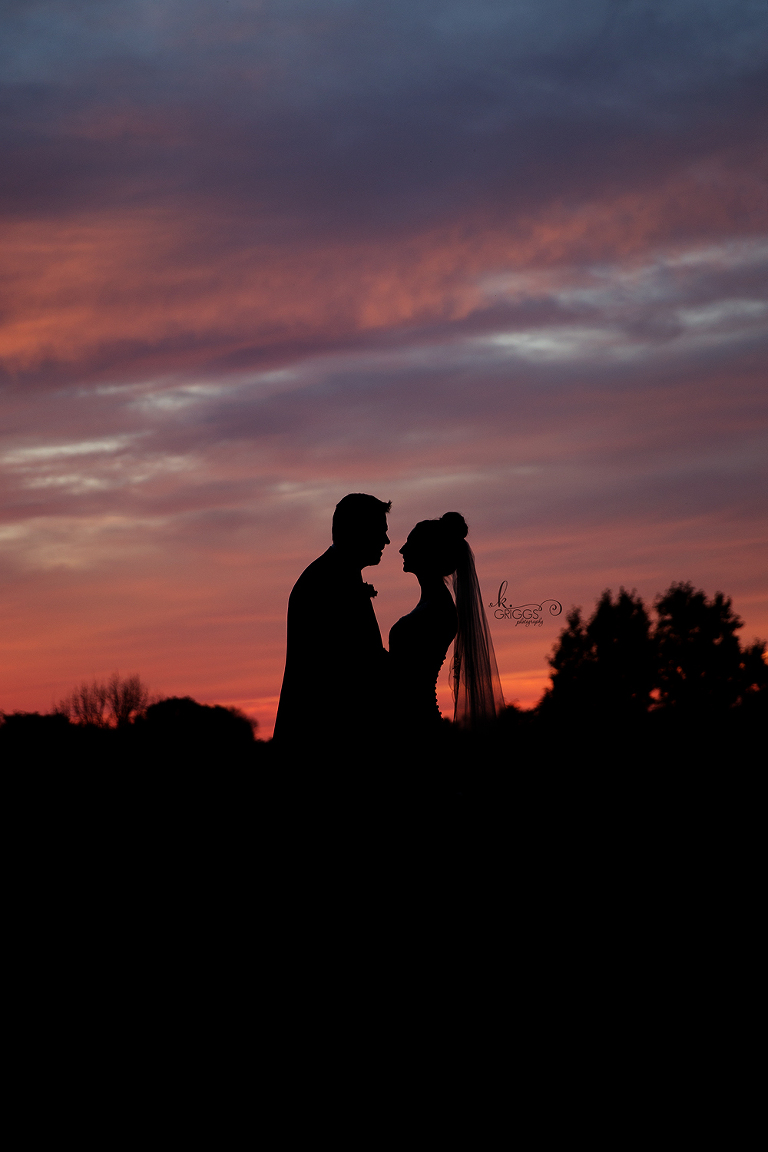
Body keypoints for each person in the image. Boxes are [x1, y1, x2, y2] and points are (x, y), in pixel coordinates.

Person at [273, 493, 391, 758]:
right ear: (357, 530)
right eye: (379, 531)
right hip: (324, 741)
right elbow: (347, 662)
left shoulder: (338, 574)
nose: (386, 541)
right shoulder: (326, 581)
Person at [389, 512, 504, 741]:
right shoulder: (432, 604)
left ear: (428, 553)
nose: (402, 550)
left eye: (410, 544)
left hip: (416, 727)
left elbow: (406, 673)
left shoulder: (437, 610)